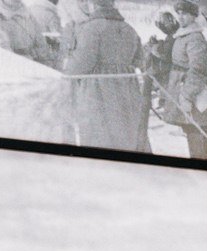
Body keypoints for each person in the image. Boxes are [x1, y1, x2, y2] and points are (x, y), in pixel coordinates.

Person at [62, 0, 148, 152]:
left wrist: (65, 69)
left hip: (99, 92)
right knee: (127, 134)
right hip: (128, 91)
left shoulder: (91, 28)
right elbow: (140, 61)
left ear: (94, 5)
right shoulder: (129, 29)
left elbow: (81, 64)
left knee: (101, 138)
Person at [167, 0, 207, 160]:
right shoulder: (183, 34)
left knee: (198, 133)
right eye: (179, 13)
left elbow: (198, 69)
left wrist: (187, 96)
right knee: (192, 132)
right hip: (184, 89)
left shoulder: (194, 38)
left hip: (194, 95)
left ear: (193, 16)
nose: (180, 17)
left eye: (185, 14)